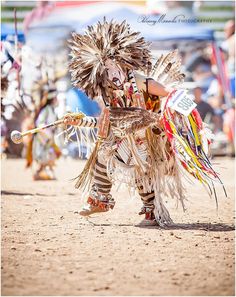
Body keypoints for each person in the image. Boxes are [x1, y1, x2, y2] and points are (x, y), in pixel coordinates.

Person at [64, 19, 223, 226]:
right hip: (128, 138)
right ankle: (100, 200)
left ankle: (153, 211)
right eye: (106, 69)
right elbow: (105, 123)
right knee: (104, 153)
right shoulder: (107, 93)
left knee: (142, 169)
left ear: (122, 61)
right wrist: (80, 121)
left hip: (151, 133)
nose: (112, 74)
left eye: (114, 66)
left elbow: (169, 93)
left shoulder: (138, 81)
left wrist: (183, 110)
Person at [29, 85, 61, 180]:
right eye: (55, 98)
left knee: (51, 155)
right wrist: (47, 134)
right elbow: (40, 124)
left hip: (49, 138)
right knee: (46, 156)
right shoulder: (46, 110)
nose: (56, 99)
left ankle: (43, 172)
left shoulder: (52, 110)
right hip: (43, 138)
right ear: (52, 99)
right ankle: (39, 173)